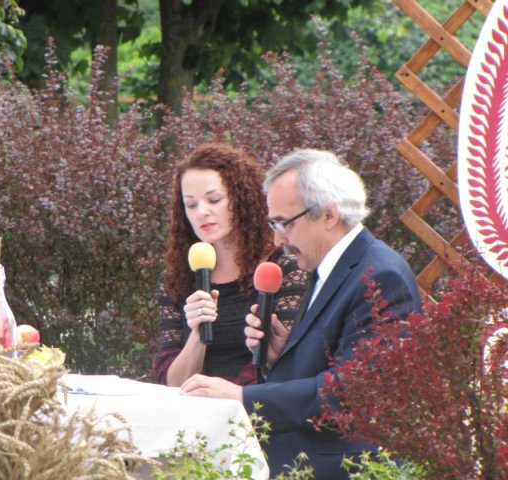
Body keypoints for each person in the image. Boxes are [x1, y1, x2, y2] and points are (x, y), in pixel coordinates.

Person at [180, 148, 423, 479]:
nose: (277, 239)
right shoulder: (329, 265)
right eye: (273, 224)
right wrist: (279, 356)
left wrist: (242, 396)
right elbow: (329, 364)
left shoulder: (380, 275)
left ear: (328, 215)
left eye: (284, 223)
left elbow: (353, 391)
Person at [153, 143, 308, 387]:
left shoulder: (283, 268)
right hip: (194, 405)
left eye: (214, 199)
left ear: (242, 199)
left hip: (254, 406)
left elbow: (285, 365)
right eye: (191, 205)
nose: (201, 212)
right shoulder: (176, 280)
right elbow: (171, 384)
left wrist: (224, 393)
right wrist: (197, 335)